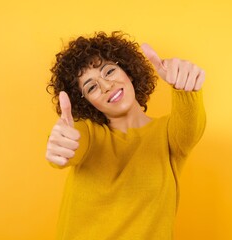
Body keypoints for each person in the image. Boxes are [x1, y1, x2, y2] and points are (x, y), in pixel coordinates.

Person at [45, 31, 206, 240]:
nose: (106, 86)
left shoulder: (168, 133)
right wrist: (60, 144)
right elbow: (72, 143)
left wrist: (185, 88)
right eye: (92, 87)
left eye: (109, 71)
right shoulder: (89, 134)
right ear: (87, 102)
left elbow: (191, 127)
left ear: (128, 71)